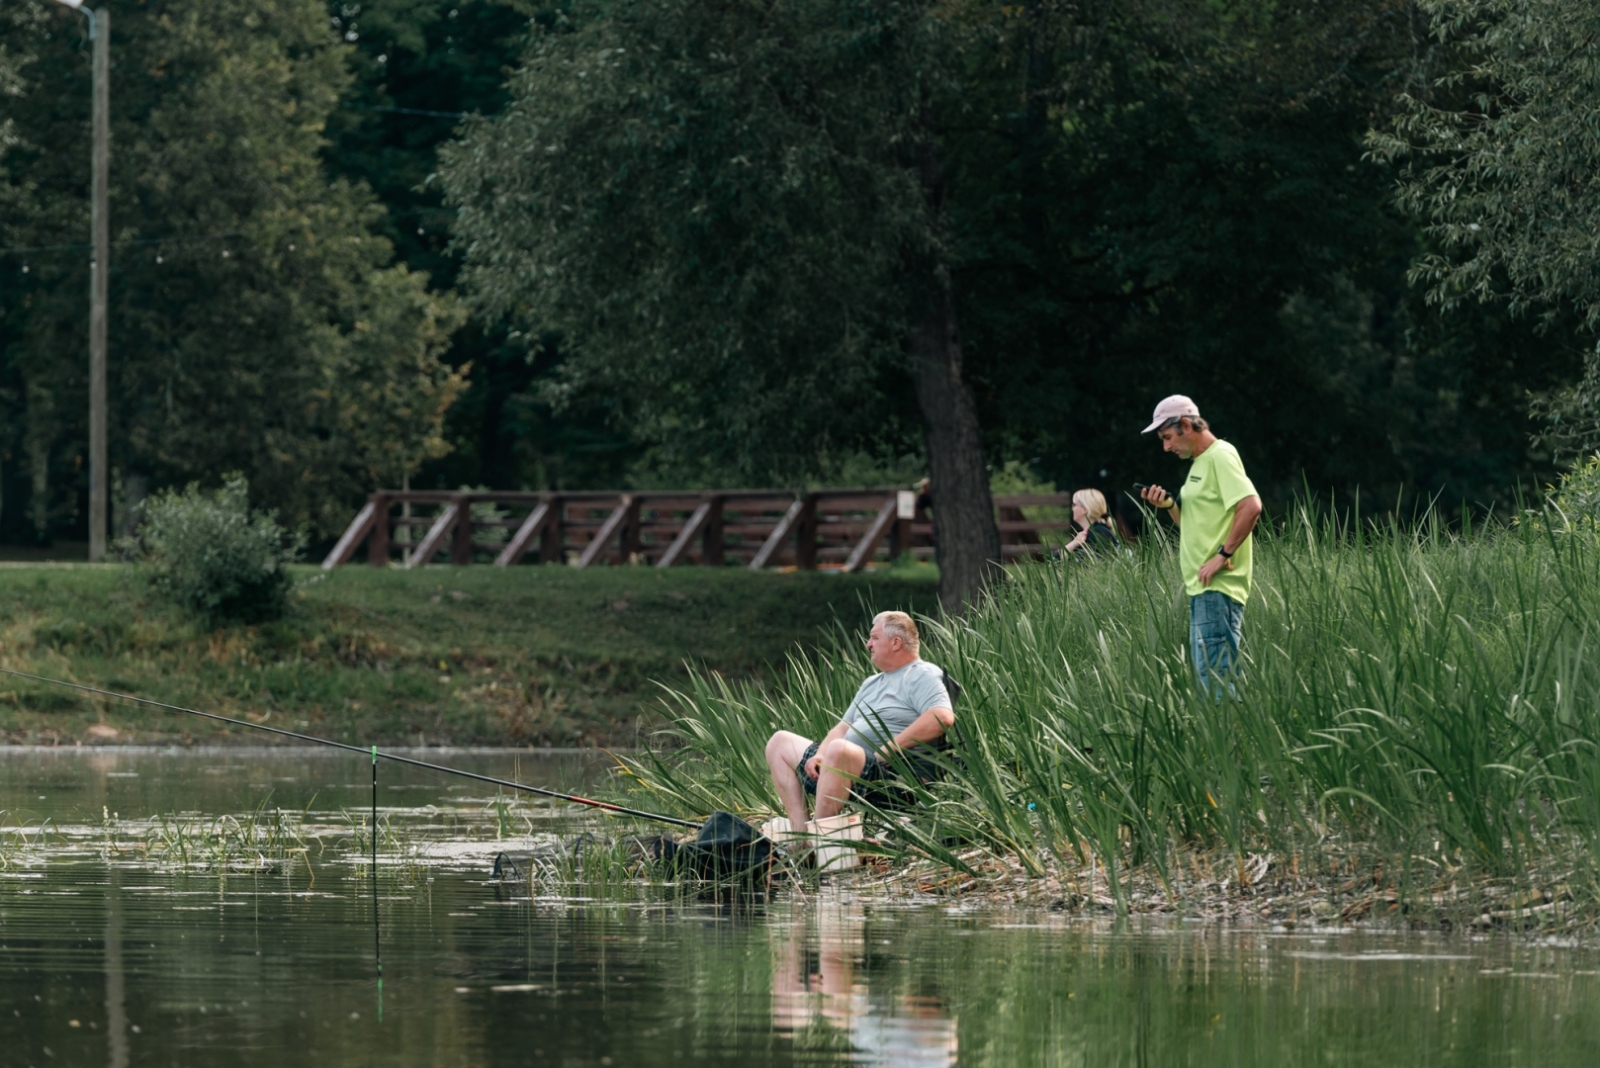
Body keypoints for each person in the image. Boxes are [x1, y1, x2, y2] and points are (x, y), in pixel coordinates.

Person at [765, 611, 954, 831]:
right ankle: (800, 833)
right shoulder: (871, 683)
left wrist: (887, 751)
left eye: (874, 637)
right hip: (843, 766)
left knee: (839, 749)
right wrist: (820, 754)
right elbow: (842, 727)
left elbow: (942, 717)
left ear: (895, 643)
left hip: (888, 776)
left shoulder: (923, 674)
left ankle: (820, 838)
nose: (868, 644)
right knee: (780, 742)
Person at [1137, 395, 1262, 696]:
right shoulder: (1198, 464)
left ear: (1184, 425)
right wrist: (1168, 505)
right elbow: (1193, 527)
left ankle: (1227, 742)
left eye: (1167, 437)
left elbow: (1251, 505)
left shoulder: (1220, 455)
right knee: (1214, 680)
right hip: (1202, 589)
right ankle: (1226, 739)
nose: (1166, 447)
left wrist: (1222, 556)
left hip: (1217, 588)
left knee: (1218, 684)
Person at [1061, 488, 1121, 556]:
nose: (1072, 509)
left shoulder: (1097, 534)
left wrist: (1071, 546)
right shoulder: (1096, 532)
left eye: (1074, 505)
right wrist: (1073, 544)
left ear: (1084, 509)